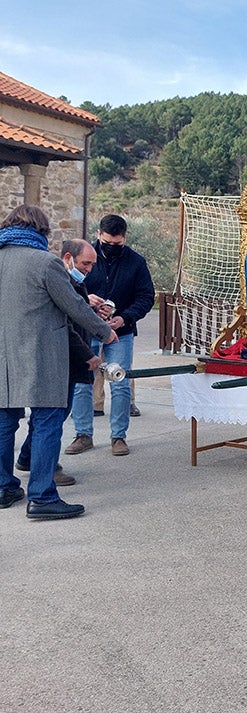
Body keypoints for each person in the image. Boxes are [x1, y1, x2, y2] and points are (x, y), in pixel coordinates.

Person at [0, 206, 117, 520]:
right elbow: (74, 306)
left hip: (2, 359)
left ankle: (4, 487)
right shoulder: (46, 263)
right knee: (47, 423)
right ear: (41, 231)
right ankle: (42, 497)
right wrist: (103, 331)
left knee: (3, 423)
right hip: (41, 356)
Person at [66, 214, 154, 457]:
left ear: (124, 238)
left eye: (117, 244)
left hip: (120, 331)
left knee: (120, 382)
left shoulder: (136, 262)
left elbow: (146, 297)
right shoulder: (84, 258)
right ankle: (83, 434)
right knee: (82, 381)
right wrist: (87, 299)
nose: (112, 248)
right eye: (107, 243)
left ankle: (119, 437)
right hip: (86, 329)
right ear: (98, 235)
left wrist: (124, 318)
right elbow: (67, 288)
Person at [15, 239, 102, 486]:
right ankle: (46, 470)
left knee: (50, 417)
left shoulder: (70, 281)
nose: (89, 269)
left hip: (65, 358)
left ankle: (28, 457)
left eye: (92, 264)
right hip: (59, 359)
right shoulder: (56, 280)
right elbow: (66, 328)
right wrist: (88, 354)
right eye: (86, 263)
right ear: (67, 258)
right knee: (52, 419)